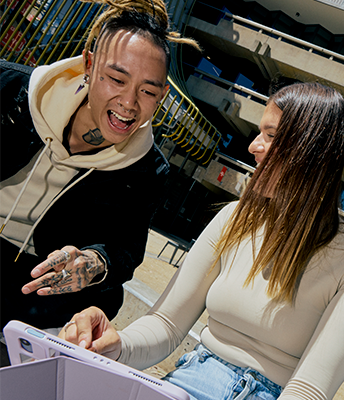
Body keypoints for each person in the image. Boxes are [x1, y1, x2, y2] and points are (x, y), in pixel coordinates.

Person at [60, 82, 344, 400]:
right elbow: (166, 324)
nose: (253, 146)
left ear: (311, 152)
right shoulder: (234, 217)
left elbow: (310, 390)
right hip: (189, 378)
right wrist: (116, 345)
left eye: (271, 136)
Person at [0, 0, 200, 333]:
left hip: (37, 291)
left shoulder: (147, 170)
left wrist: (94, 262)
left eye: (147, 91)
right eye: (116, 79)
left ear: (162, 94)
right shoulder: (11, 91)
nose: (129, 102)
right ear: (89, 64)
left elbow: (125, 250)